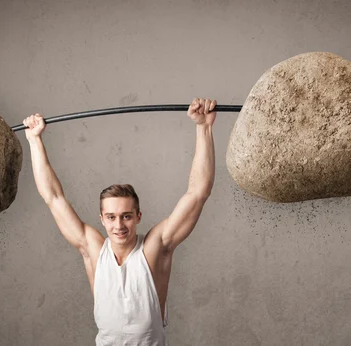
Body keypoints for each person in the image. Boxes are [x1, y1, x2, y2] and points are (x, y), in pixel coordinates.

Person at [22, 98, 216, 346]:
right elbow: (53, 197)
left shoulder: (155, 247)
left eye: (126, 216)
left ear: (138, 216)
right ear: (101, 219)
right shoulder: (93, 250)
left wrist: (204, 128)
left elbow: (198, 193)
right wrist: (34, 140)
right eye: (111, 217)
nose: (119, 225)